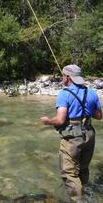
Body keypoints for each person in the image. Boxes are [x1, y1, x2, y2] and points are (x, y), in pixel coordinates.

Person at [40, 64, 102, 202]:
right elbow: (98, 116)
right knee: (83, 168)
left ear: (68, 77)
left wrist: (47, 121)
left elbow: (60, 119)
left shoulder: (64, 94)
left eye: (63, 75)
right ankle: (85, 192)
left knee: (69, 173)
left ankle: (77, 200)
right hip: (89, 135)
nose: (63, 78)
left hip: (73, 138)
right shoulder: (92, 93)